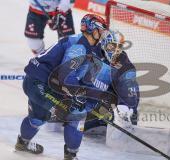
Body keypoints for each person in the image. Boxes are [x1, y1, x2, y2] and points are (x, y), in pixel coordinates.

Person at [15, 14, 107, 160]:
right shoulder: (80, 47)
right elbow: (65, 76)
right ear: (92, 29)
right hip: (41, 85)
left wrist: (90, 100)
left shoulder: (88, 47)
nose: (102, 34)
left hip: (35, 82)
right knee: (77, 114)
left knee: (38, 117)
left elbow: (82, 80)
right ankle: (71, 155)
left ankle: (23, 143)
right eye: (100, 30)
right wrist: (79, 98)